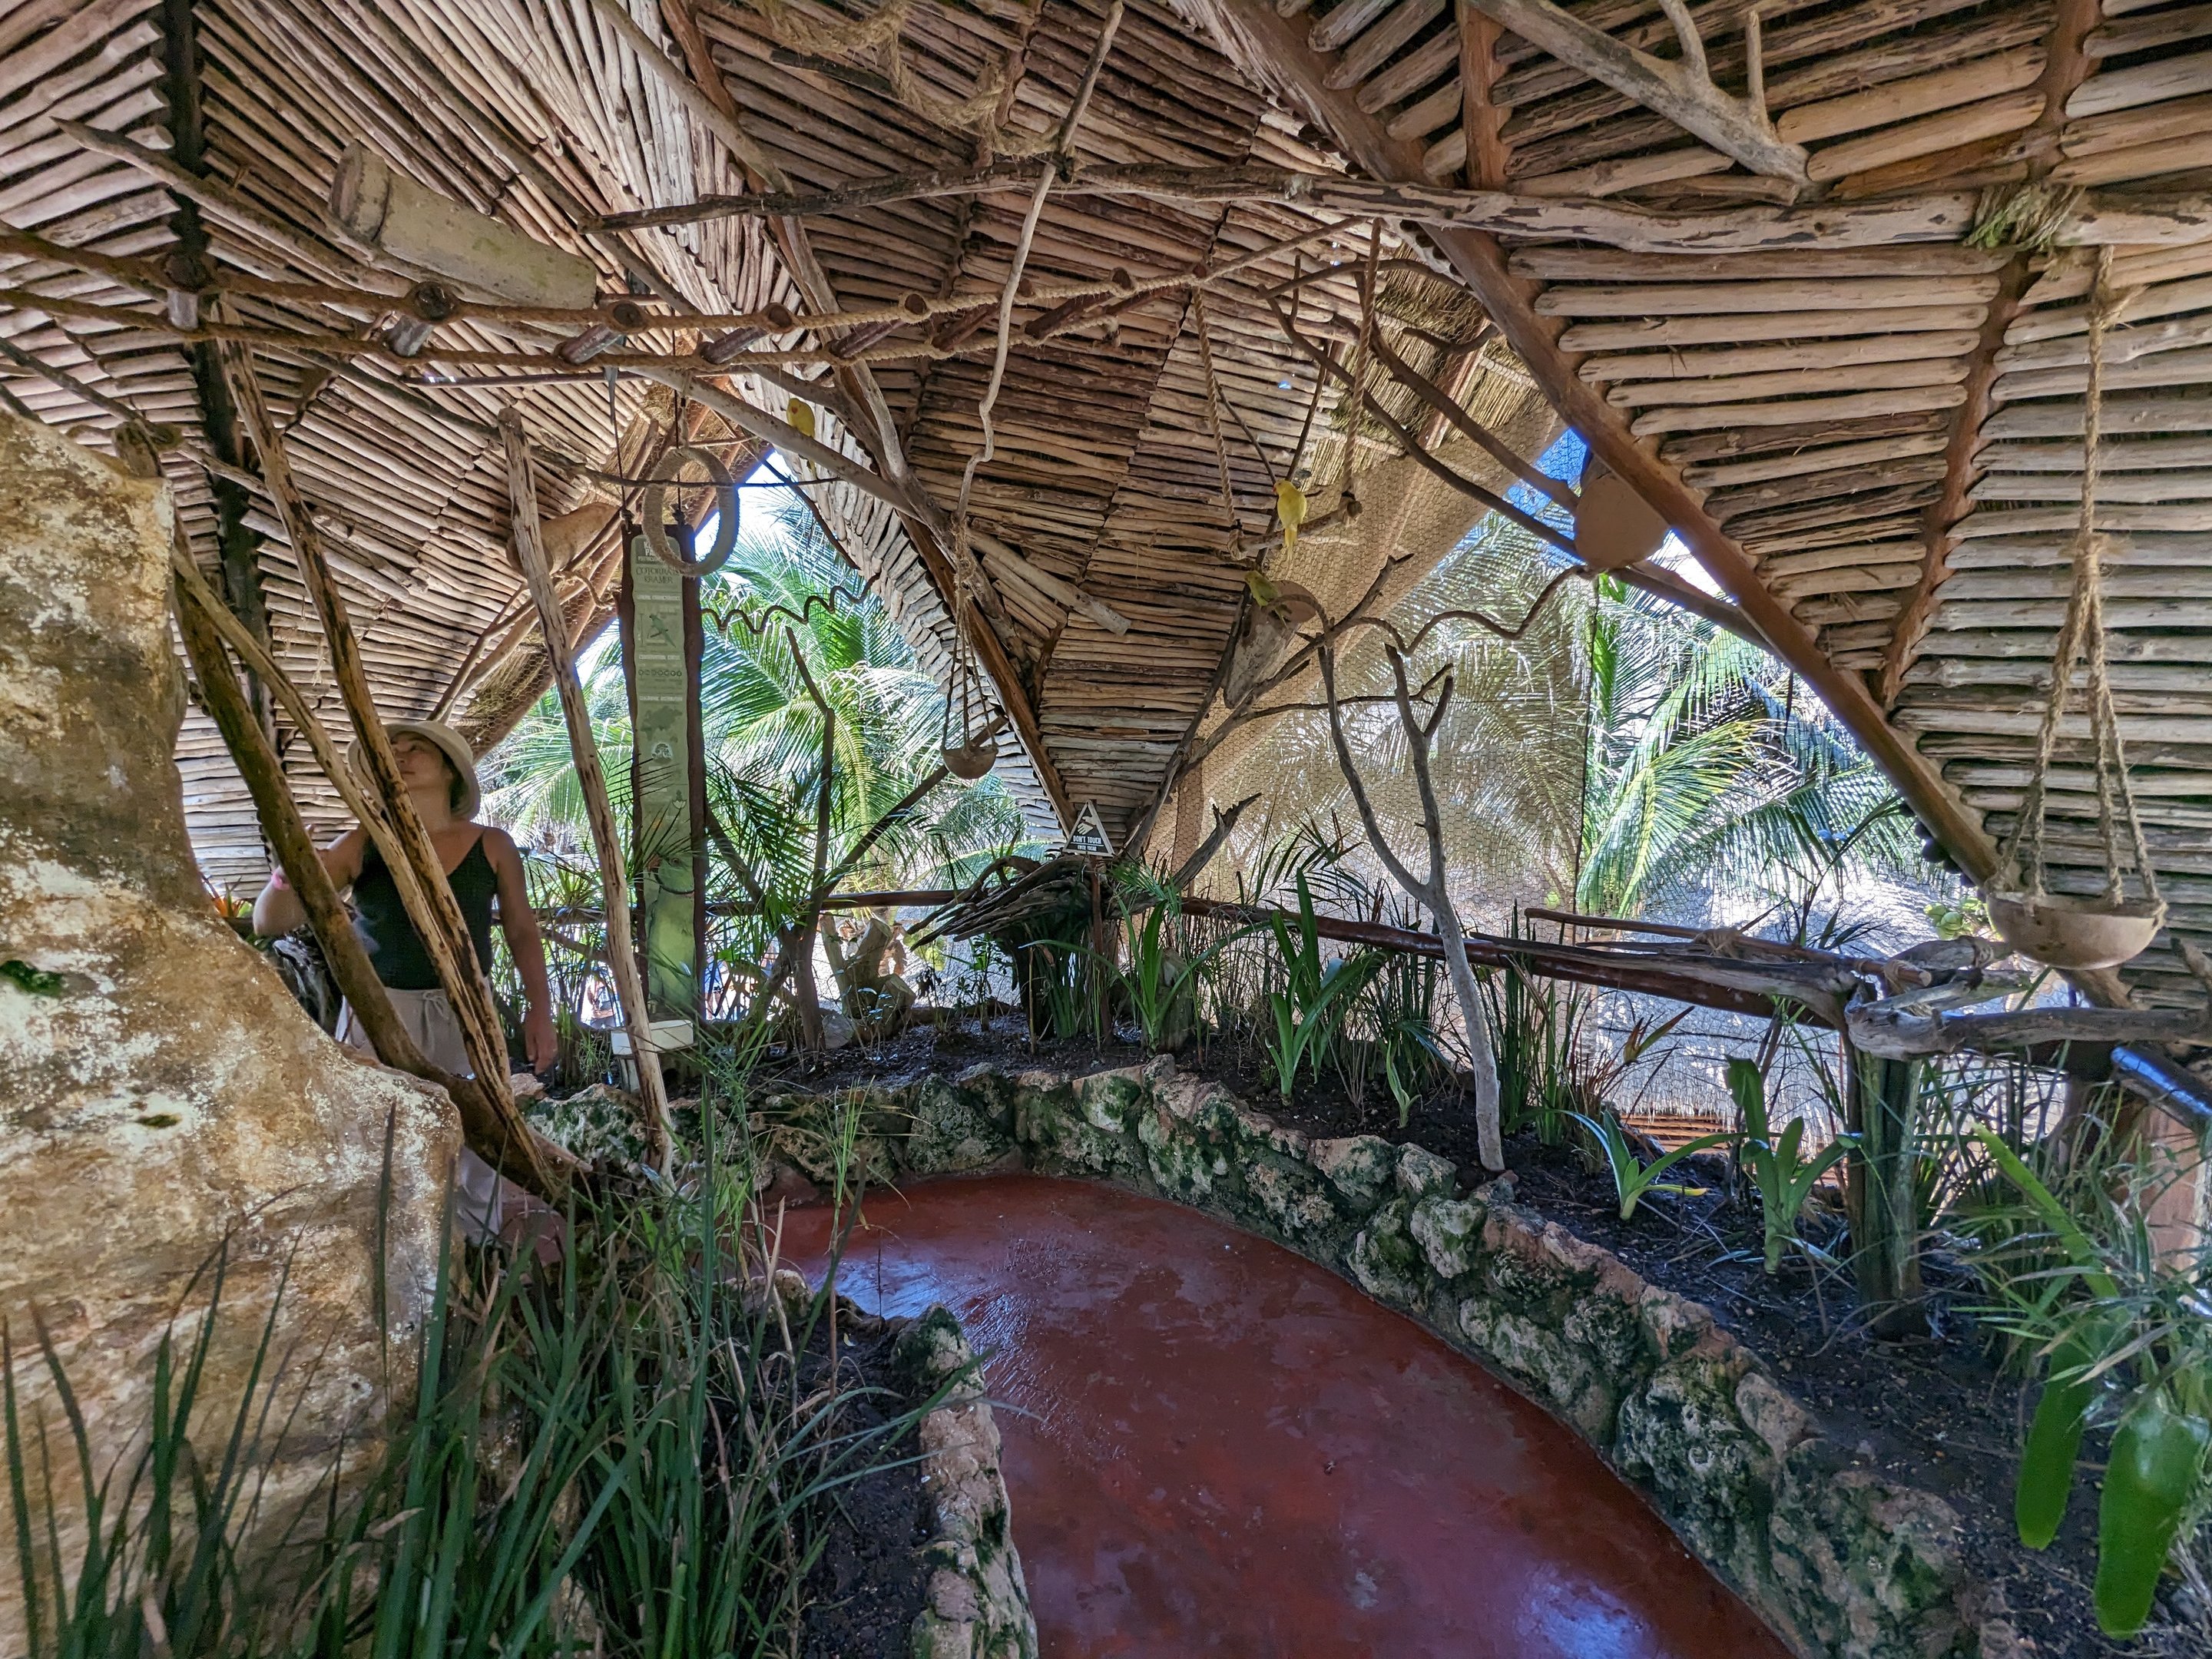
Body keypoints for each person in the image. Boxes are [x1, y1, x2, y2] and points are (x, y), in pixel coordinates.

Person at [252, 718, 556, 1239]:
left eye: (418, 750)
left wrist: (539, 1010)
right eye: (392, 750)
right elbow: (270, 922)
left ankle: (476, 1248)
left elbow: (523, 933)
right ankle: (389, 1245)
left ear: (452, 774)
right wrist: (289, 874)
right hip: (381, 1009)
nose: (403, 755)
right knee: (376, 1127)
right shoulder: (364, 844)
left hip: (468, 1009)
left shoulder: (493, 845)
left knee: (478, 1124)